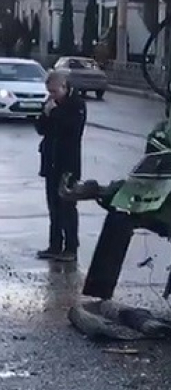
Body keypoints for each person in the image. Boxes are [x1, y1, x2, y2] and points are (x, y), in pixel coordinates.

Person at [35, 70, 87, 262]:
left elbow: (72, 129)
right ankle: (55, 245)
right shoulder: (51, 104)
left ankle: (71, 247)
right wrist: (46, 114)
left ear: (64, 87)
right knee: (53, 206)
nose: (52, 95)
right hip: (50, 162)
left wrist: (53, 112)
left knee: (67, 206)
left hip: (68, 164)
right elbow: (40, 129)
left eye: (55, 91)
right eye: (50, 91)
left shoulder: (77, 105)